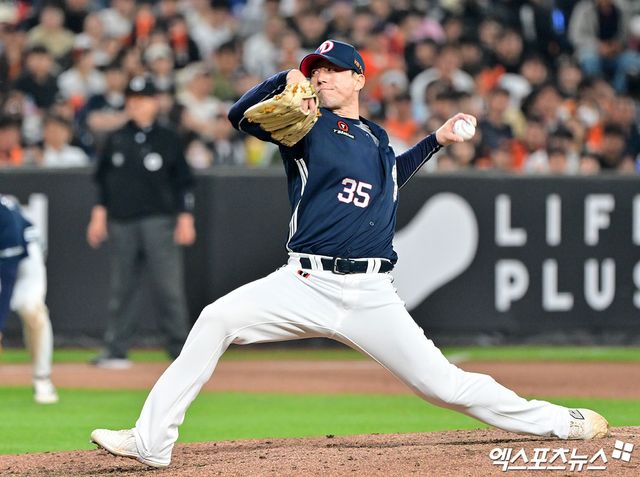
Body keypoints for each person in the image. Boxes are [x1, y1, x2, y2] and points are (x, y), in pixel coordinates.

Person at [90, 40, 609, 469]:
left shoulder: (376, 137)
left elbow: (390, 181)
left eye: (333, 70)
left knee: (444, 386)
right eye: (316, 71)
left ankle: (559, 422)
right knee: (215, 319)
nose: (322, 78)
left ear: (360, 78)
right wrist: (282, 79)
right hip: (303, 282)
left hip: (370, 292)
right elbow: (237, 116)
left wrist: (436, 140)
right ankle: (152, 442)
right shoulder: (303, 125)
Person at [86, 75, 196, 369]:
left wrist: (185, 217)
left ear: (154, 103)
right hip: (121, 221)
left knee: (168, 288)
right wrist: (98, 215)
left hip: (159, 221)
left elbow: (184, 182)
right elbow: (103, 182)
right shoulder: (116, 138)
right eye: (132, 100)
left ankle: (180, 350)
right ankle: (115, 349)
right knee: (122, 288)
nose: (137, 105)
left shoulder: (168, 137)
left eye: (143, 100)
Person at [0, 195, 58, 404]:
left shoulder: (4, 217)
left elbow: (7, 279)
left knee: (32, 309)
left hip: (26, 256)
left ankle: (42, 378)